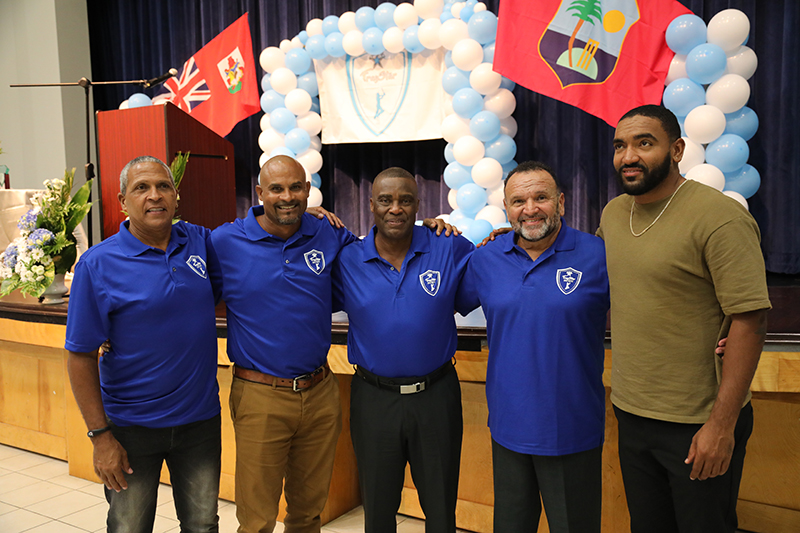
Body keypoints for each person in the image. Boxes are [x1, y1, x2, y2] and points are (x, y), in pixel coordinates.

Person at [598, 105, 770, 533]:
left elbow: (750, 321)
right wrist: (515, 240)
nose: (628, 156)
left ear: (676, 150)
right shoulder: (614, 214)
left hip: (698, 422)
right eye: (620, 146)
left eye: (644, 143)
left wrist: (722, 426)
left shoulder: (720, 217)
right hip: (633, 414)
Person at [66, 156, 221, 533]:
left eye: (163, 186)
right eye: (141, 188)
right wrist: (100, 437)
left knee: (203, 525)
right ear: (123, 201)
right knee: (129, 527)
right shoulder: (97, 265)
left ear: (176, 195)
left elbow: (251, 240)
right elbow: (80, 355)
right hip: (130, 428)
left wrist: (305, 215)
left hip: (199, 422)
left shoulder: (200, 242)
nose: (154, 195)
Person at [459, 161, 609, 533]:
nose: (530, 209)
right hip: (508, 428)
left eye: (541, 197)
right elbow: (435, 297)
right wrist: (431, 231)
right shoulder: (486, 258)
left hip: (573, 429)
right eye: (518, 201)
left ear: (561, 202)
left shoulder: (599, 254)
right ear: (506, 208)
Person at [331, 167, 474, 533]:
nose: (395, 208)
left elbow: (496, 267)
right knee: (378, 510)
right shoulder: (347, 259)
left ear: (418, 205)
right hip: (373, 399)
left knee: (441, 509)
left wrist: (508, 236)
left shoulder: (449, 246)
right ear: (371, 205)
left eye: (405, 200)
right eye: (386, 200)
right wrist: (311, 214)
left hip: (436, 396)